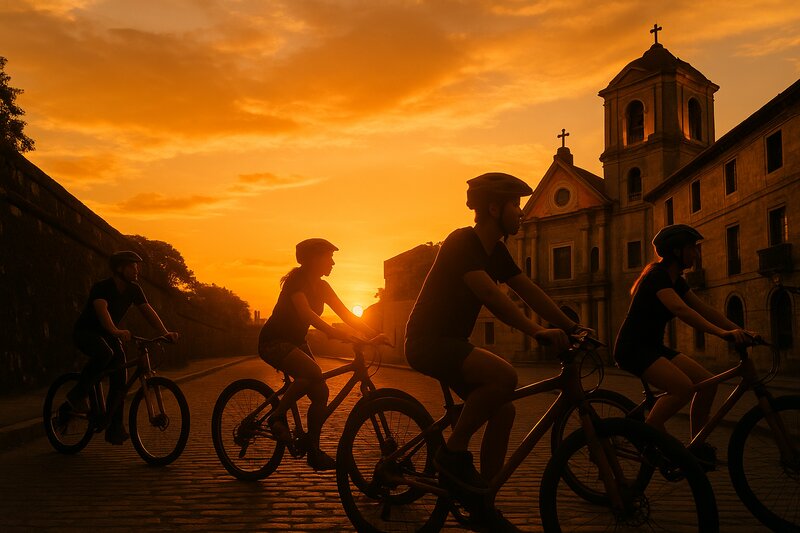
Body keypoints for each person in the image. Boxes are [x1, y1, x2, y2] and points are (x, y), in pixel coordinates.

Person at [404, 172, 581, 530]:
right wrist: (535, 330)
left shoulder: (496, 251)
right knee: (505, 376)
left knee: (504, 412)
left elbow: (527, 289)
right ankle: (451, 453)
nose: (520, 213)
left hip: (453, 344)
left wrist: (570, 326)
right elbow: (490, 295)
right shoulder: (462, 242)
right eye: (515, 205)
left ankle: (482, 501)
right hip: (427, 341)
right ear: (494, 207)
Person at [614, 224, 754, 464]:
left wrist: (737, 329)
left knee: (707, 383)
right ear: (677, 251)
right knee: (683, 388)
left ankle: (696, 445)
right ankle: (650, 432)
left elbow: (703, 308)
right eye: (692, 249)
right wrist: (722, 334)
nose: (696, 254)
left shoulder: (676, 281)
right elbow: (680, 310)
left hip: (654, 347)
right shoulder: (656, 275)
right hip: (633, 348)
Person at [258, 238, 387, 471]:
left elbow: (347, 315)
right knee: (312, 372)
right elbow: (306, 314)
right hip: (273, 342)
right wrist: (332, 332)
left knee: (320, 391)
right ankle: (276, 416)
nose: (333, 263)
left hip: (296, 342)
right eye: (329, 257)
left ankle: (313, 451)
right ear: (313, 260)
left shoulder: (324, 287)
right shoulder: (296, 281)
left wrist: (374, 334)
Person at [66, 251, 179, 445]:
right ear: (120, 268)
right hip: (87, 332)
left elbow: (148, 311)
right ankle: (78, 394)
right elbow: (102, 311)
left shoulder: (134, 289)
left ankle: (114, 427)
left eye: (138, 267)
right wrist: (115, 331)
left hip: (110, 335)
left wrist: (165, 333)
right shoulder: (102, 288)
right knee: (104, 353)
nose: (137, 270)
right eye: (132, 266)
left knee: (120, 379)